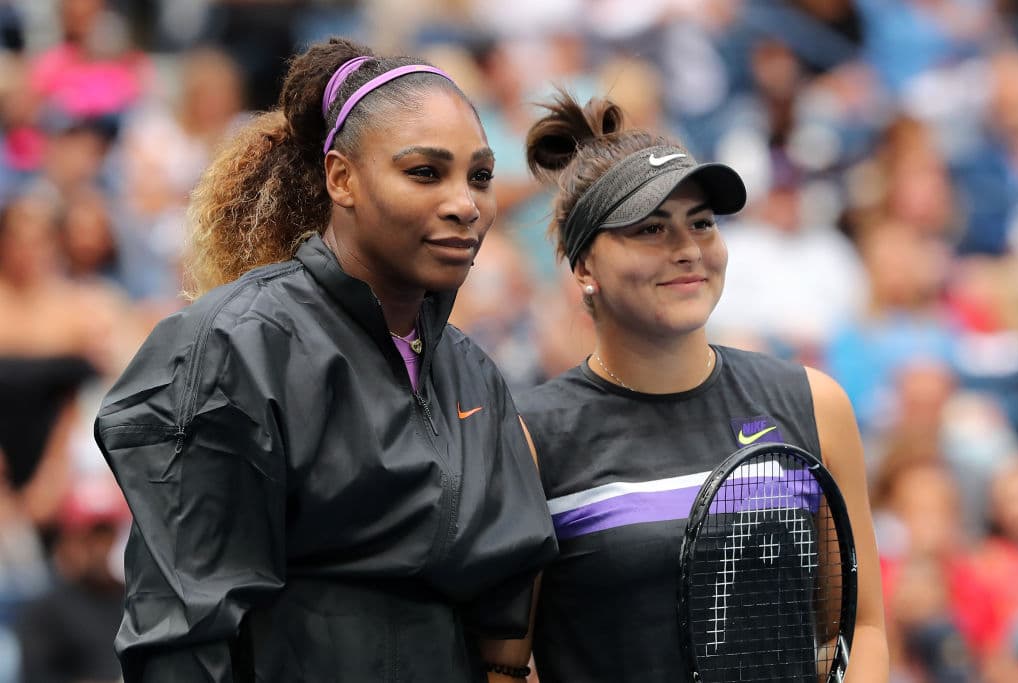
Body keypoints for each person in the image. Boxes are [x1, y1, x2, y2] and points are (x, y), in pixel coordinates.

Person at [93, 37, 558, 682]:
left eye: (479, 176)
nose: (465, 204)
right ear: (341, 178)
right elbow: (181, 640)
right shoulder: (237, 345)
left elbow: (501, 634)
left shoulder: (474, 372)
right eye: (425, 172)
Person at [496, 91, 888, 681]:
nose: (686, 250)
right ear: (584, 267)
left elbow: (860, 628)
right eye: (650, 228)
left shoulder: (814, 403)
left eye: (701, 223)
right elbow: (503, 667)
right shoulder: (529, 438)